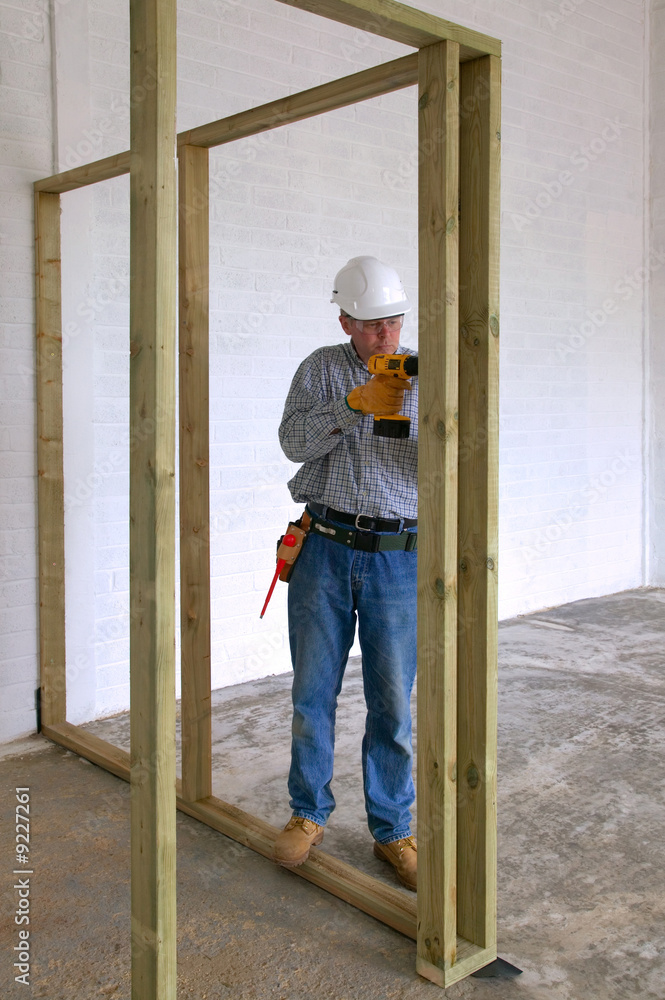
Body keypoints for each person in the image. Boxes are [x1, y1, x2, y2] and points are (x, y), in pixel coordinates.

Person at [272, 255, 419, 891]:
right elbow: (293, 443)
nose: (385, 336)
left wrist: (424, 413)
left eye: (393, 321)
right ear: (345, 322)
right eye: (370, 325)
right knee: (313, 693)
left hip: (398, 558)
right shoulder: (319, 369)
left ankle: (393, 829)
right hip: (325, 547)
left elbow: (458, 455)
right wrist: (354, 405)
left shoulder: (422, 370)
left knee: (392, 701)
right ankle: (307, 814)